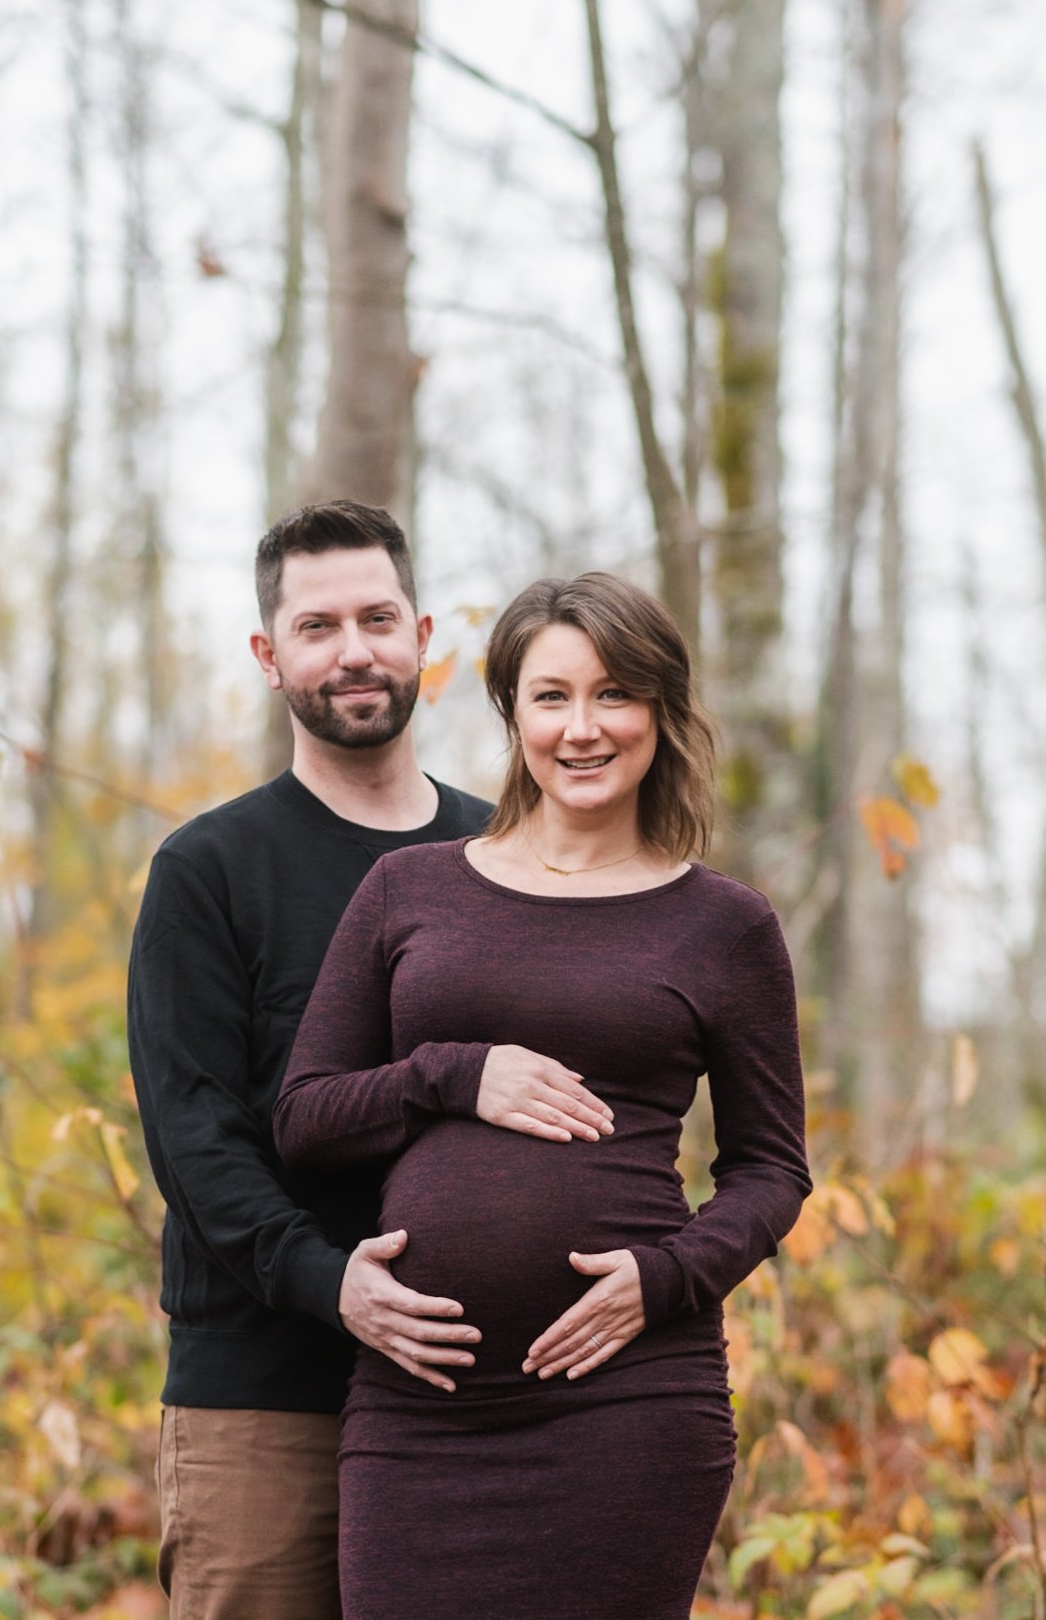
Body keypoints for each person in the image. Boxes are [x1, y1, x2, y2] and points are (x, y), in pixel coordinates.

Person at [274, 570, 812, 1620]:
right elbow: (304, 1115)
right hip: (416, 1409)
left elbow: (770, 1169)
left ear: (660, 709)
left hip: (626, 1402)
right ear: (510, 711)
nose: (583, 728)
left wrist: (666, 1278)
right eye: (551, 696)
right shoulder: (409, 890)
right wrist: (453, 1073)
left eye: (614, 694)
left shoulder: (724, 925)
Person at [126, 501, 494, 1620]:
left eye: (378, 618)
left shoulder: (502, 856)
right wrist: (335, 1285)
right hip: (265, 1405)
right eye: (318, 625)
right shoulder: (207, 870)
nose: (354, 651)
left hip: (478, 1401)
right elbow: (194, 1142)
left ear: (422, 633)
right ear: (268, 654)